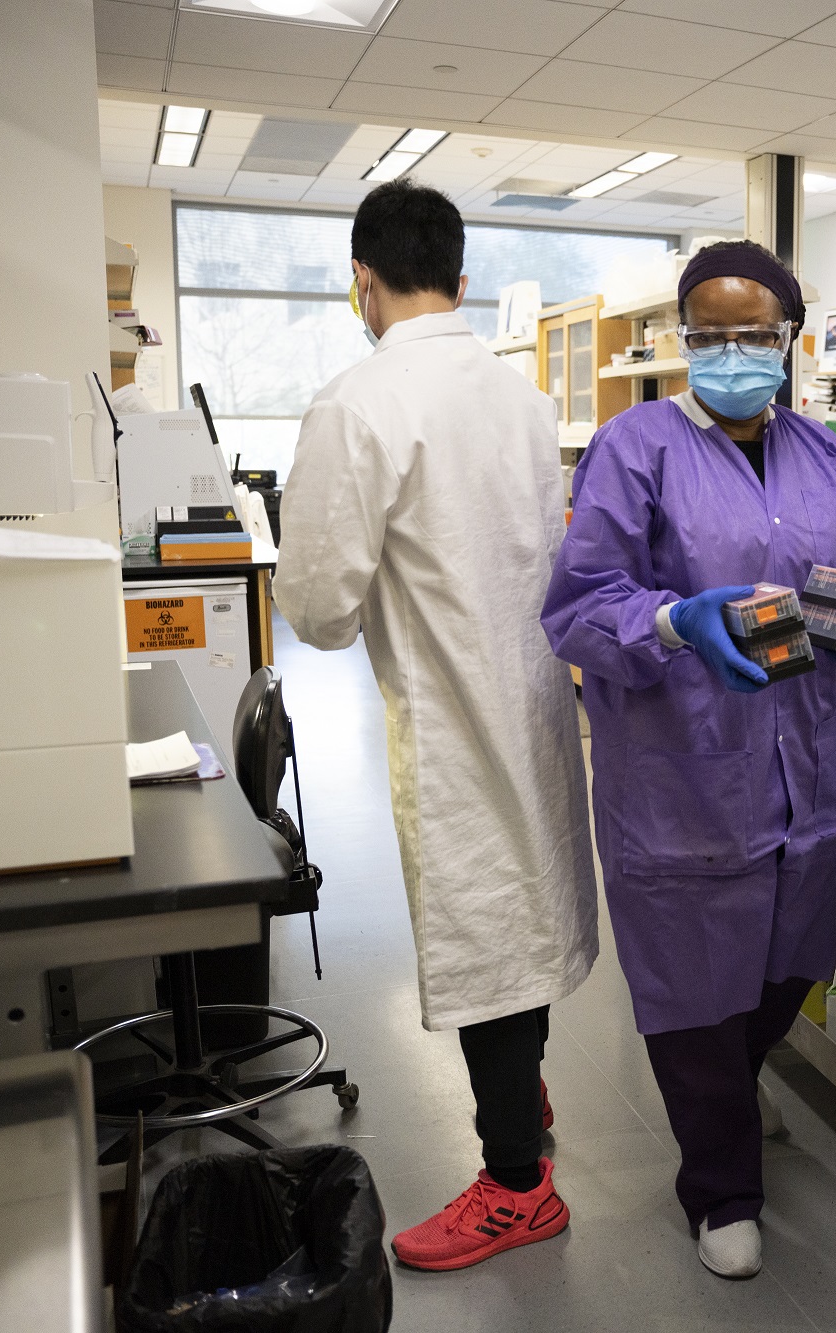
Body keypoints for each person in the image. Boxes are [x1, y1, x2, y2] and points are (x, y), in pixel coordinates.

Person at [541, 240, 836, 1280]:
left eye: (754, 335)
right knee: (694, 990)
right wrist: (673, 620)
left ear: (787, 341)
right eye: (709, 335)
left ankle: (732, 1097)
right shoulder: (633, 446)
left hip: (806, 773)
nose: (732, 352)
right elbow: (577, 604)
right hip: (683, 772)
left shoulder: (826, 456)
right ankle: (721, 1187)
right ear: (682, 340)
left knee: (784, 968)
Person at [276, 177, 598, 1272]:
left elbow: (317, 608)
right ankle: (526, 1100)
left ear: (362, 282)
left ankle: (518, 1186)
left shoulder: (355, 403)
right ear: (458, 284)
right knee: (523, 910)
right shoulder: (520, 399)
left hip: (454, 713)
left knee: (484, 928)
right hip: (530, 692)